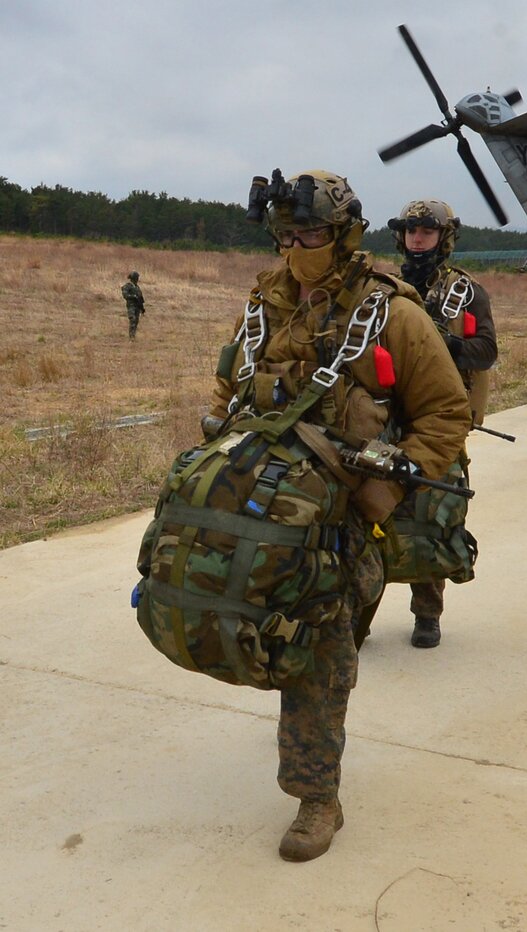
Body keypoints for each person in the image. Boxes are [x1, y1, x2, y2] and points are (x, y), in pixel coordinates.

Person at [211, 169, 472, 862]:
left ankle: (316, 796)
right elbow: (227, 385)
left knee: (322, 647)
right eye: (286, 234)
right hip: (266, 502)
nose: (296, 247)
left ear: (345, 232)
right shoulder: (264, 304)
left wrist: (384, 494)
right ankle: (309, 727)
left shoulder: (390, 313)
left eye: (312, 235)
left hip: (345, 513)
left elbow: (448, 412)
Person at [355, 198, 497, 650]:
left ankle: (427, 614)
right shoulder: (384, 289)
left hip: (438, 420)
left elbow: (486, 351)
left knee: (432, 517)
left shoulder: (465, 291)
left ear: (443, 237)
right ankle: (360, 611)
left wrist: (442, 345)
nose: (417, 239)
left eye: (427, 231)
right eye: (411, 231)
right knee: (370, 510)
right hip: (384, 417)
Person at [121, 271, 145, 340]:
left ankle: (133, 335)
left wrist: (142, 308)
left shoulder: (137, 287)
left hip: (137, 306)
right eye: (136, 278)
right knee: (132, 319)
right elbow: (125, 295)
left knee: (136, 321)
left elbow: (140, 298)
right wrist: (133, 296)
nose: (137, 279)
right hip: (131, 305)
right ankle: (131, 336)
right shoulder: (127, 286)